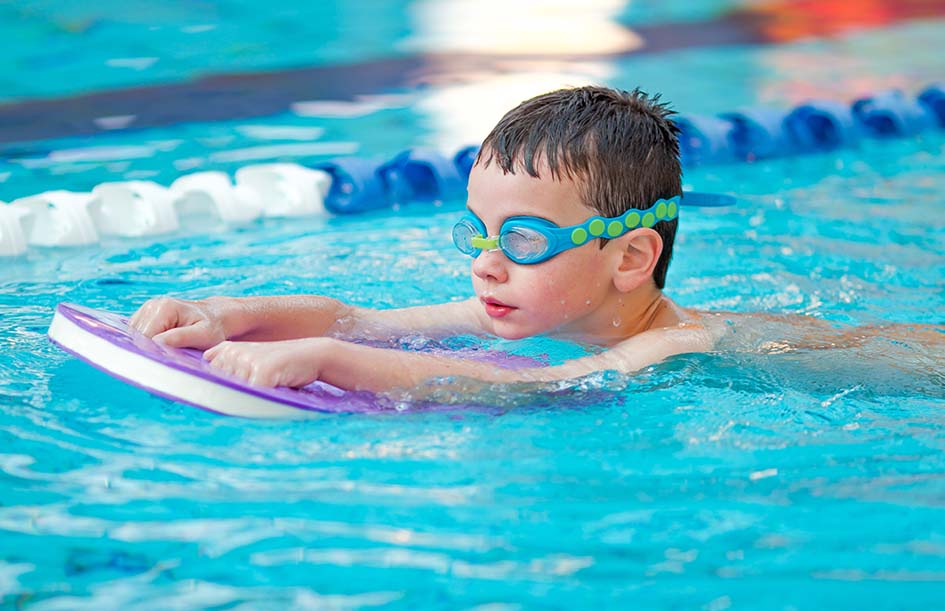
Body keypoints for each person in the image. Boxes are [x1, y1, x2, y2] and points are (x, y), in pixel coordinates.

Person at [128, 85, 941, 394]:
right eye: (479, 232)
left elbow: (532, 388)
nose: (486, 260)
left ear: (629, 257)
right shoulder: (523, 304)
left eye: (521, 238)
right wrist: (227, 314)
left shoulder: (670, 346)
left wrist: (328, 365)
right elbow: (358, 318)